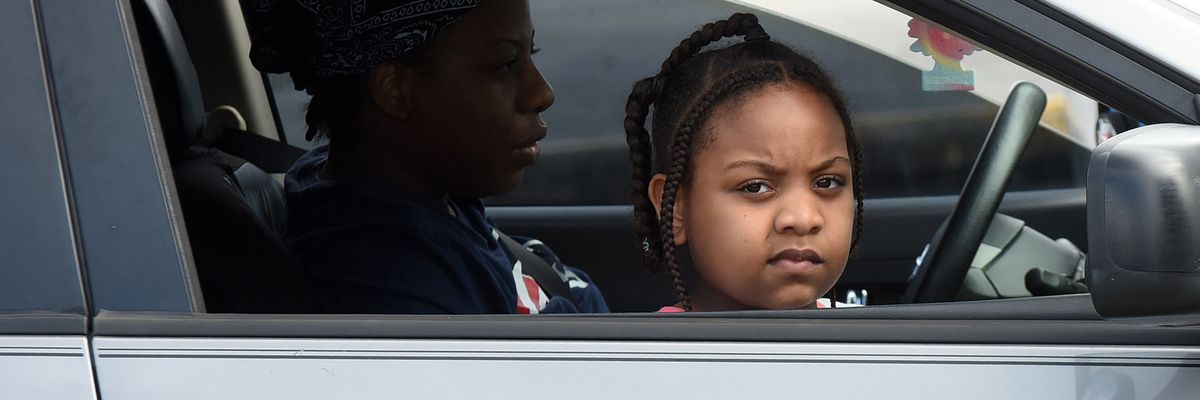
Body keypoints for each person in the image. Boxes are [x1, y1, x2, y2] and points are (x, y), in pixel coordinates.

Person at [241, 0, 608, 314]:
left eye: (533, 54)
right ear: (396, 91)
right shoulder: (395, 289)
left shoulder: (426, 198)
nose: (541, 93)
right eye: (506, 64)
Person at [623, 13, 864, 312]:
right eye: (755, 187)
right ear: (675, 208)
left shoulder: (875, 343)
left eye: (827, 182)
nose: (803, 218)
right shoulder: (650, 356)